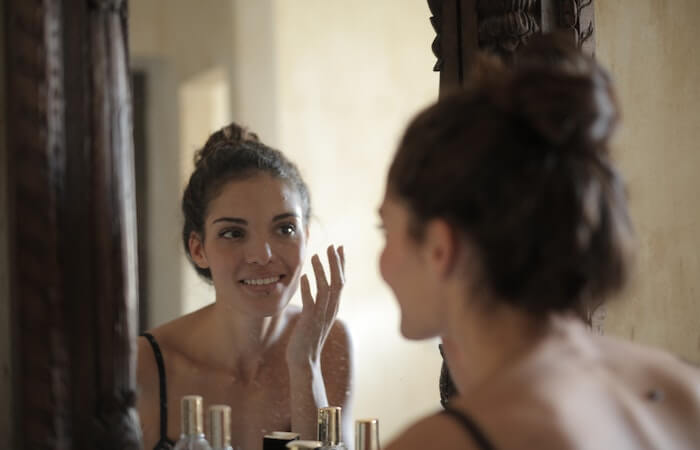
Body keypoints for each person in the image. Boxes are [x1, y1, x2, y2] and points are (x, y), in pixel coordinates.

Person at [379, 35, 700, 449]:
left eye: (386, 231)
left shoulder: (446, 443)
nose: (382, 261)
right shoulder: (685, 388)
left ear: (440, 247)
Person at [137, 124, 353, 450]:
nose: (262, 256)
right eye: (234, 233)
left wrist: (305, 362)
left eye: (284, 228)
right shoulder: (148, 363)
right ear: (199, 249)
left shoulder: (330, 343)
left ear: (305, 237)